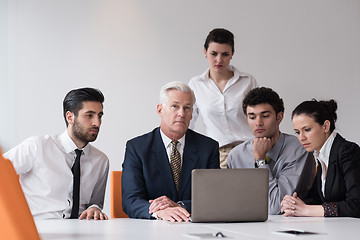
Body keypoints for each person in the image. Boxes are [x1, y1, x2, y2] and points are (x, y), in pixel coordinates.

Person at [3, 87, 109, 220]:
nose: (97, 123)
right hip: (39, 229)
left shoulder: (101, 160)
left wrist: (94, 208)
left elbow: (95, 202)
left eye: (99, 116)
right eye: (89, 115)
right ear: (70, 117)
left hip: (82, 231)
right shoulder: (37, 147)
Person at [122, 81, 220, 222]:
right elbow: (130, 200)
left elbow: (214, 198)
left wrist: (180, 206)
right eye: (175, 106)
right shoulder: (137, 148)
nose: (181, 113)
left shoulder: (208, 147)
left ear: (192, 113)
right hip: (151, 230)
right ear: (160, 110)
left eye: (187, 108)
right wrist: (160, 212)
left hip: (194, 226)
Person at [227, 87, 315, 214]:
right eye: (252, 117)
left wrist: (260, 159)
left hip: (290, 224)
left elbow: (275, 207)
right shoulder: (236, 155)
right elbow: (231, 204)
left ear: (279, 117)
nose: (258, 123)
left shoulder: (299, 150)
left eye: (265, 116)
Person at [189, 28, 258, 168]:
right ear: (205, 52)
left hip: (249, 150)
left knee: (255, 189)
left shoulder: (247, 81)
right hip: (217, 154)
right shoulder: (195, 85)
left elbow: (261, 115)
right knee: (220, 189)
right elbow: (188, 122)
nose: (219, 60)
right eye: (213, 54)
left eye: (225, 54)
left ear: (232, 53)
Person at [281, 99, 360, 218]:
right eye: (297, 132)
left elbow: (356, 205)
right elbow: (318, 200)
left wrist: (306, 210)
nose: (301, 137)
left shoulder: (348, 152)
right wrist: (293, 205)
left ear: (325, 126)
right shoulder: (321, 156)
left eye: (307, 130)